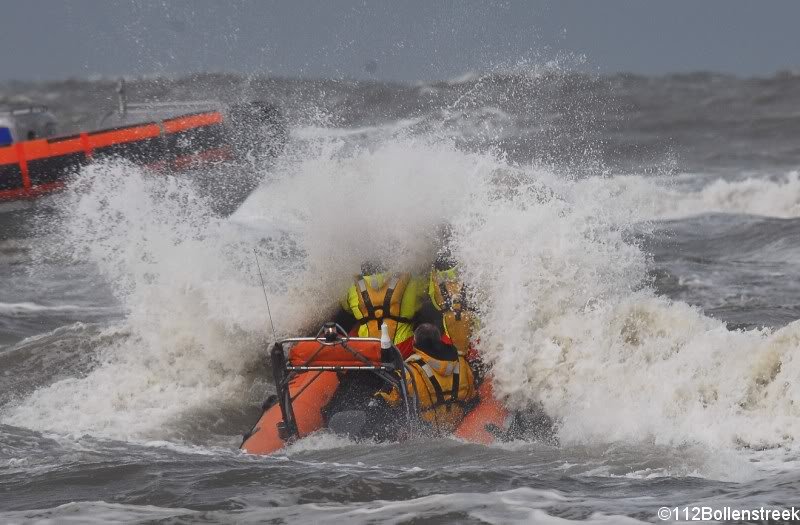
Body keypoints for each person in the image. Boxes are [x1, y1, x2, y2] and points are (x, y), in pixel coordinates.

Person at [377, 323, 478, 435]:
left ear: (414, 342)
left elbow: (390, 400)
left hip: (428, 434)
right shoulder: (463, 363)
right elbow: (472, 395)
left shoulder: (410, 369)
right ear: (440, 340)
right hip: (461, 430)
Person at [333, 260, 426, 357]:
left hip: (368, 350)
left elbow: (347, 308)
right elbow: (423, 297)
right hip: (403, 349)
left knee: (357, 325)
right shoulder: (411, 281)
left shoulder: (352, 287)